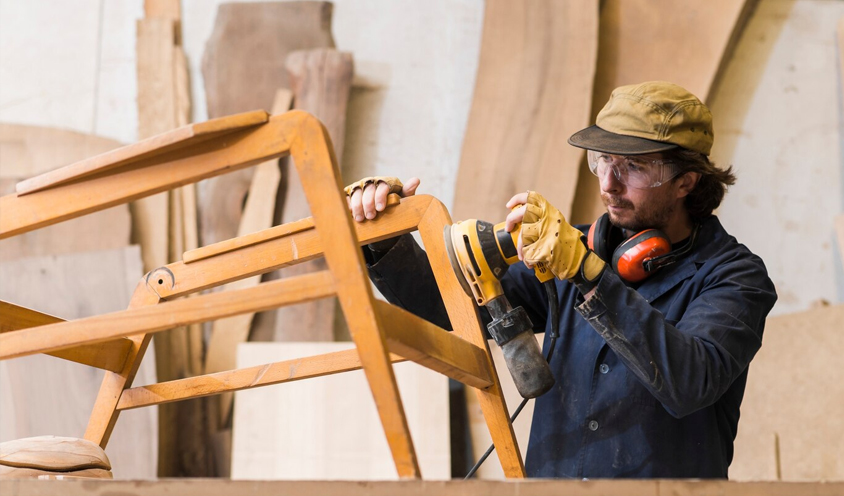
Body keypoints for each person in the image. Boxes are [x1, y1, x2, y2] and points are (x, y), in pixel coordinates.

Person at [344, 81, 777, 478]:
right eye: (603, 160)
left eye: (634, 167)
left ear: (686, 181)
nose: (609, 184)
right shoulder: (572, 248)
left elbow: (690, 381)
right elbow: (451, 308)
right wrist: (385, 240)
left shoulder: (736, 277)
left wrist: (590, 278)